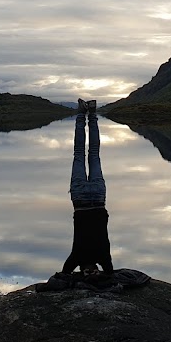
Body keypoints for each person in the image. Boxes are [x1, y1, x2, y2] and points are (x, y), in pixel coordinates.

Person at [62, 98, 114, 276]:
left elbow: (109, 274)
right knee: (80, 153)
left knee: (93, 153)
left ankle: (90, 113)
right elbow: (64, 273)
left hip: (98, 198)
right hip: (82, 199)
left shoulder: (103, 258)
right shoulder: (76, 258)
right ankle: (83, 113)